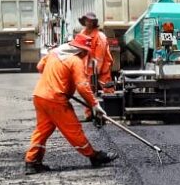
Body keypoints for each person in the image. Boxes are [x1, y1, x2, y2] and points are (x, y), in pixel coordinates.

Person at [23, 35, 117, 175]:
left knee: (43, 130)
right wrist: (94, 104)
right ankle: (94, 156)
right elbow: (82, 86)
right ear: (80, 50)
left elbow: (40, 66)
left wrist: (55, 77)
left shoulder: (54, 53)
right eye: (86, 51)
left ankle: (32, 162)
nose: (86, 54)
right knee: (73, 129)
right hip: (55, 99)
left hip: (40, 96)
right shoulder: (75, 61)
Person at [78, 11, 113, 120]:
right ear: (84, 21)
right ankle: (89, 114)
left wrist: (95, 72)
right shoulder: (82, 33)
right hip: (88, 69)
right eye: (86, 20)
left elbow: (99, 57)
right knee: (88, 91)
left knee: (107, 90)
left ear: (94, 23)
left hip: (102, 69)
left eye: (90, 21)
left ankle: (110, 113)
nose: (88, 23)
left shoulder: (100, 37)